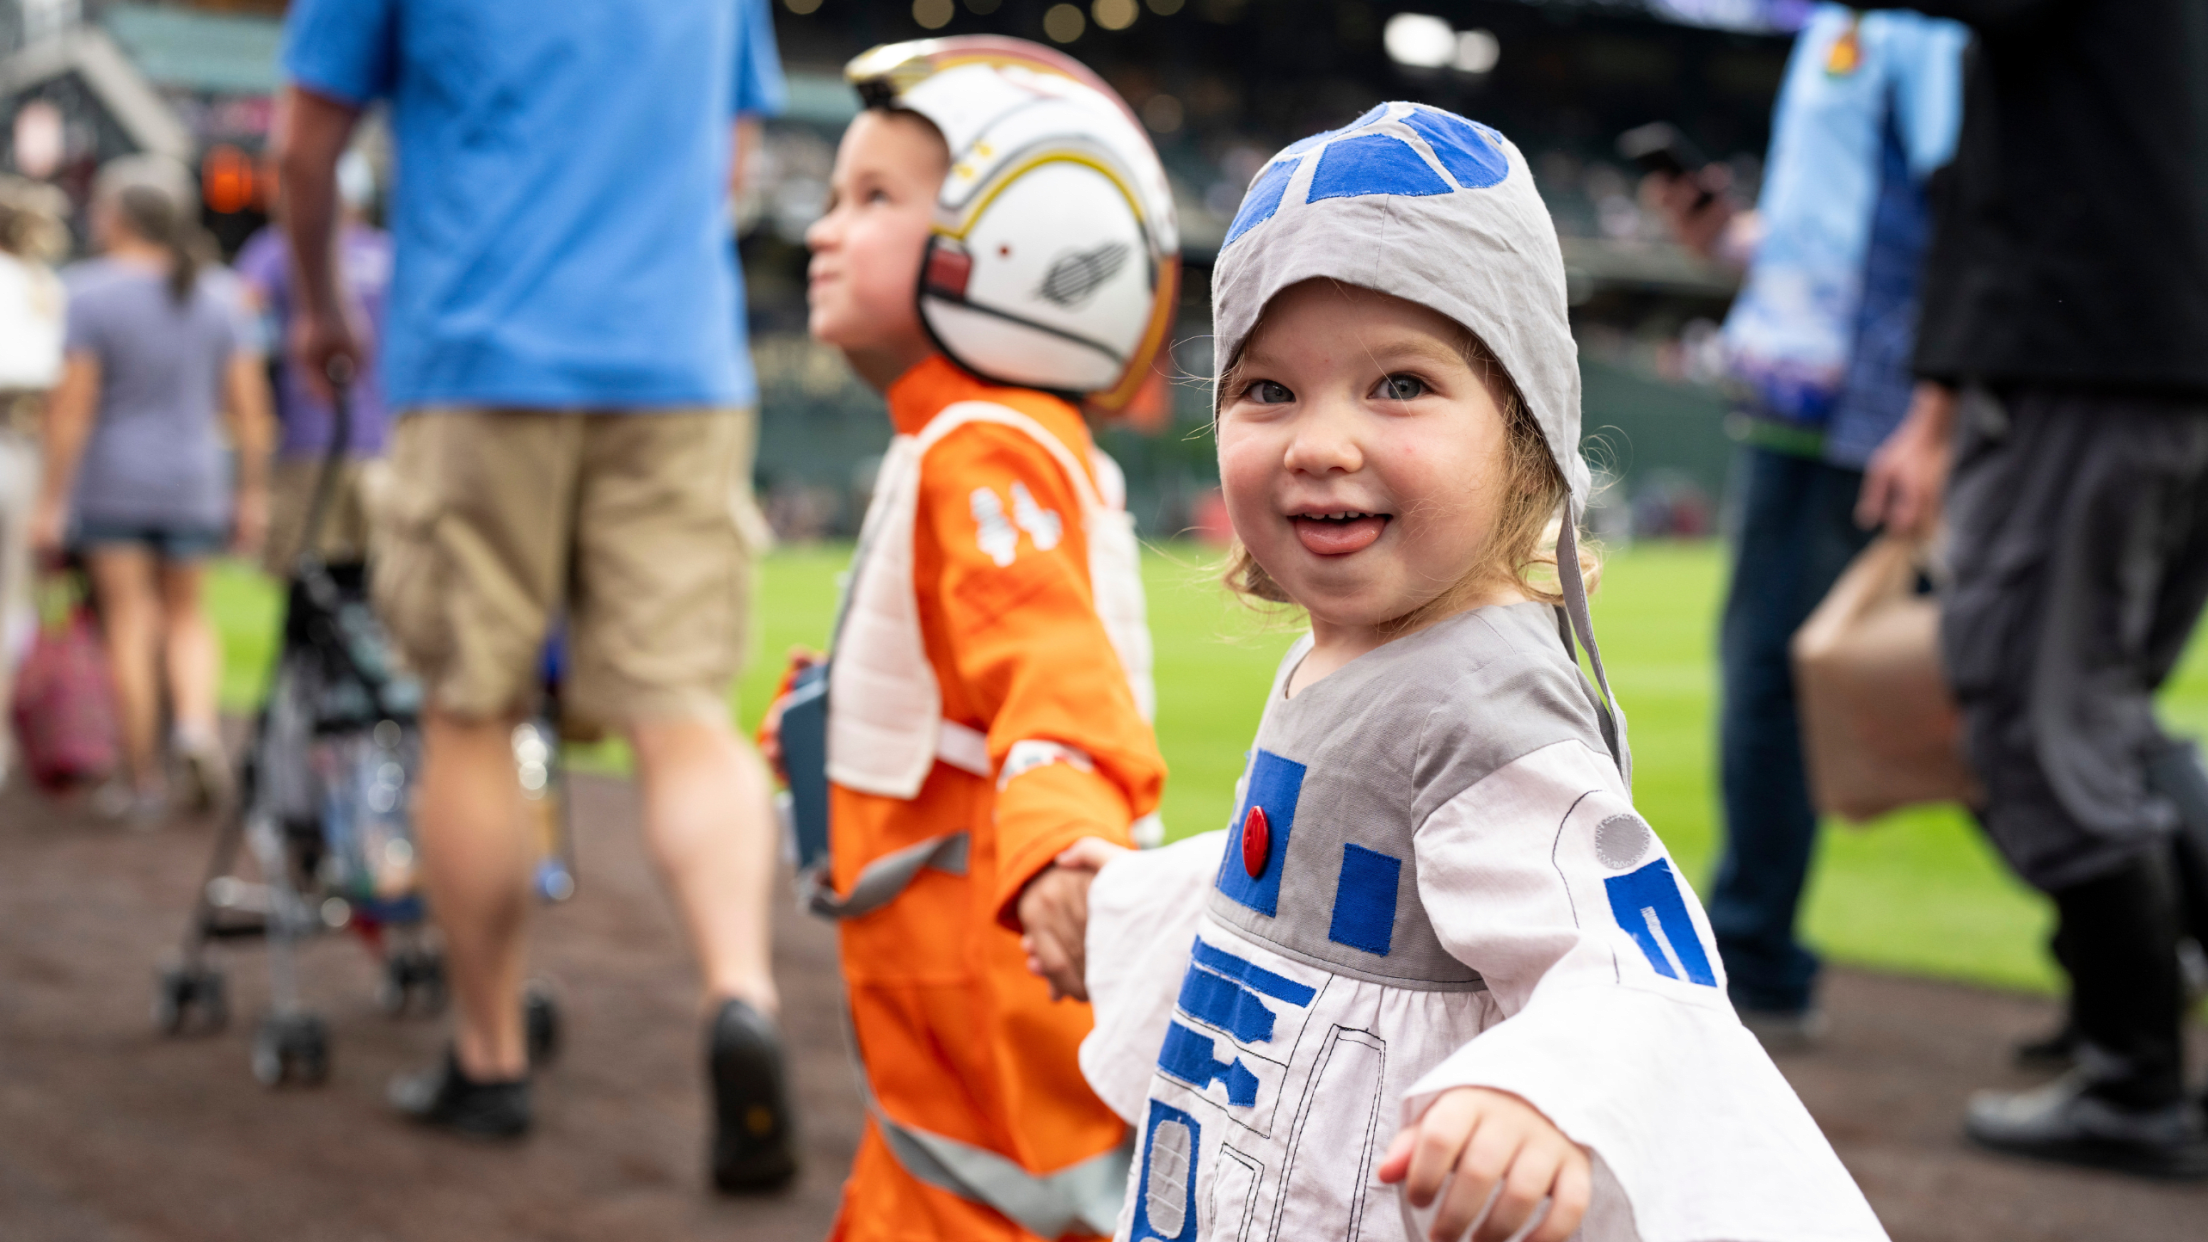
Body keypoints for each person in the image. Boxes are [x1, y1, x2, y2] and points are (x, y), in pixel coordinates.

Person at [1045, 104, 1887, 1242]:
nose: (1320, 441)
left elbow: (1628, 961)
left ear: (1527, 428)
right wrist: (1124, 904)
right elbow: (1304, 887)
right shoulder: (1352, 645)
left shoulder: (1485, 695)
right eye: (1267, 390)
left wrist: (1535, 1089)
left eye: (1400, 385)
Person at [274, 0, 796, 1182]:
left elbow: (304, 149)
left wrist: (319, 306)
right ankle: (738, 993)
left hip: (478, 349)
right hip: (676, 358)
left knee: (472, 708)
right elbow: (730, 160)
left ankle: (490, 1056)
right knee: (683, 711)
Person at [787, 37, 1175, 1242]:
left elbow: (1048, 666)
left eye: (874, 199)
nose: (821, 230)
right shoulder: (972, 436)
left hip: (989, 977)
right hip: (941, 1000)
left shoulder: (985, 448)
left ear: (1030, 232)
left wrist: (1059, 842)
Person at [1856, 0, 2208, 1178]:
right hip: (2155, 351)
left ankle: (2135, 1083)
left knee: (2036, 713)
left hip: (2097, 355)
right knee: (2106, 720)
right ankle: (2136, 1049)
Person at [1642, 3, 1967, 1047]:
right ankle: (1756, 947)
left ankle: (1756, 954)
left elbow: (1959, 209)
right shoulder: (1842, 29)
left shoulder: (1919, 31)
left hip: (1859, 414)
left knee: (1804, 679)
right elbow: (1820, 241)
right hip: (1799, 401)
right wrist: (1722, 235)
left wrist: (1929, 415)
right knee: (1817, 672)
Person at [28, 156, 272, 821]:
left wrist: (51, 502)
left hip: (114, 483)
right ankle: (194, 729)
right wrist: (252, 494)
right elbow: (250, 408)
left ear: (116, 216)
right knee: (189, 619)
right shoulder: (222, 294)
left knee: (130, 625)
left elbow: (73, 407)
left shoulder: (89, 291)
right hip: (195, 481)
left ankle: (142, 780)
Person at [233, 148, 391, 575]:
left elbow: (237, 318)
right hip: (385, 444)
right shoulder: (390, 254)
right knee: (376, 582)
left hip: (309, 437)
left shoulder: (278, 248)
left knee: (299, 579)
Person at [0, 176, 69, 788]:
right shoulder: (43, 287)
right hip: (21, 441)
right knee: (8, 597)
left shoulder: (45, 287)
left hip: (20, 432)